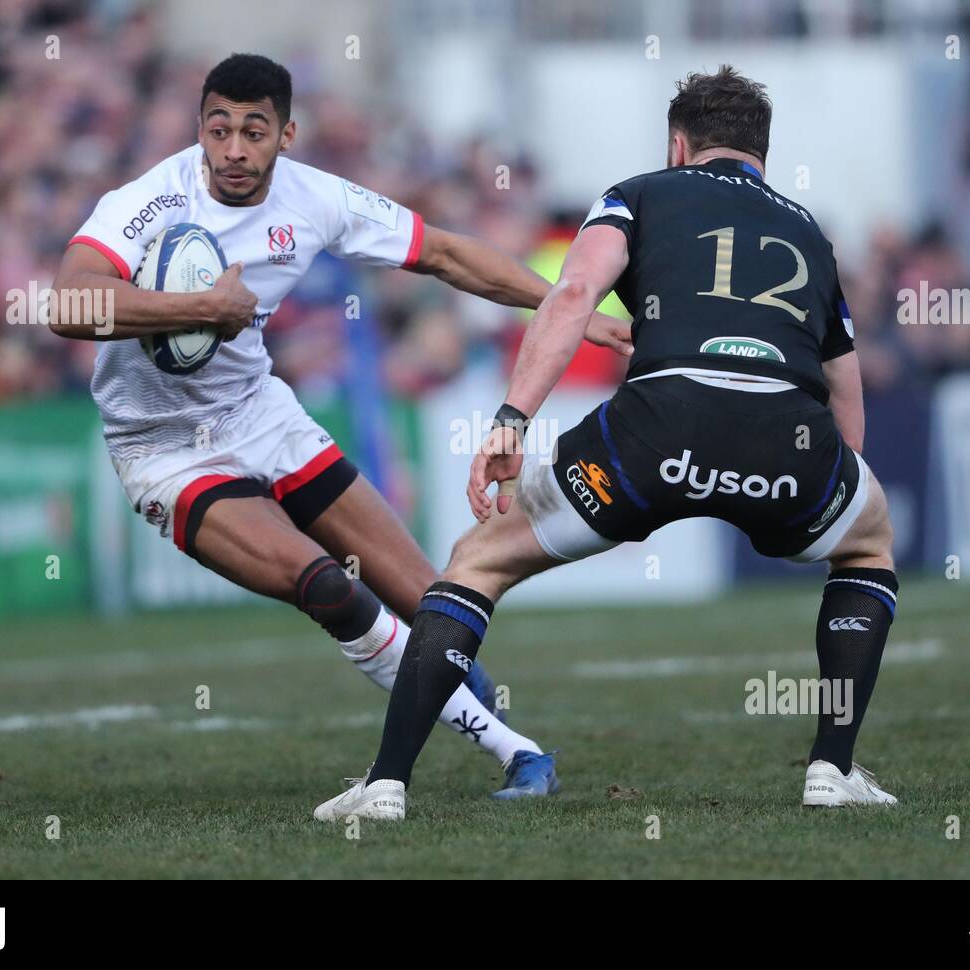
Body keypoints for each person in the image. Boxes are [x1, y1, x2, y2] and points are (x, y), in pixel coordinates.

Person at [315, 66, 900, 821]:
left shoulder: (642, 193)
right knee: (868, 548)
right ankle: (832, 771)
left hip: (652, 436)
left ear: (678, 144)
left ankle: (386, 784)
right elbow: (844, 392)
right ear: (763, 155)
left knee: (478, 561)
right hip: (787, 442)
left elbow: (572, 296)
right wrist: (834, 497)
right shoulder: (810, 233)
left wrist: (512, 420)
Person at [49, 53, 633, 798]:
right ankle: (519, 754)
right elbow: (66, 304)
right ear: (198, 129)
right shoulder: (150, 200)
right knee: (323, 585)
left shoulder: (315, 199)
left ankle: (480, 729)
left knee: (436, 606)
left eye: (253, 132)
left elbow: (447, 255)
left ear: (286, 134)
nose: (233, 149)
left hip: (259, 413)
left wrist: (566, 311)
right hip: (161, 447)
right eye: (218, 129)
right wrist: (201, 308)